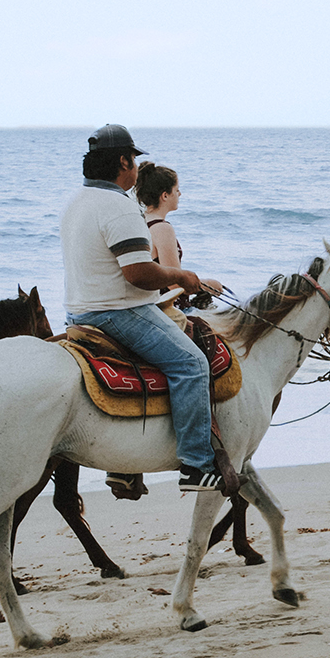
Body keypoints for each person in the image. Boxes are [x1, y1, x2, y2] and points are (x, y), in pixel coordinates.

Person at [61, 124, 237, 494]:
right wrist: (183, 276)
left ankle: (127, 462)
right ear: (124, 161)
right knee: (191, 364)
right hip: (117, 313)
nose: (137, 169)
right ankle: (196, 464)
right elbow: (139, 273)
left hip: (78, 313)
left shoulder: (77, 201)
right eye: (134, 160)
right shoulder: (118, 206)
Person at [135, 161, 190, 332]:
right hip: (166, 307)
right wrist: (209, 285)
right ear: (165, 195)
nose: (180, 194)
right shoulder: (162, 228)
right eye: (176, 189)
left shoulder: (139, 221)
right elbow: (175, 284)